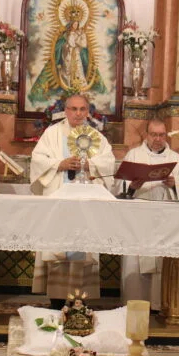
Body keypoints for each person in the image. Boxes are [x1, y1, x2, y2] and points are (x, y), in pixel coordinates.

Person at [29, 93, 115, 298]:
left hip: (85, 202)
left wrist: (89, 165)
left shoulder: (97, 137)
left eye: (82, 109)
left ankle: (81, 301)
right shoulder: (52, 134)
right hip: (59, 200)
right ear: (65, 111)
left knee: (82, 245)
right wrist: (60, 164)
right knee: (59, 245)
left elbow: (108, 163)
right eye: (73, 109)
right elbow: (37, 159)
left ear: (88, 111)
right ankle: (57, 300)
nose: (78, 113)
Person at [114, 118, 179, 309]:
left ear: (166, 136)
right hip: (138, 221)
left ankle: (159, 305)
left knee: (161, 262)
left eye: (161, 135)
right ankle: (133, 305)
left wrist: (176, 184)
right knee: (135, 263)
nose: (157, 139)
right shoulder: (134, 155)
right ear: (146, 135)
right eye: (154, 134)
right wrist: (132, 186)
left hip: (165, 220)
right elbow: (119, 187)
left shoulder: (176, 159)